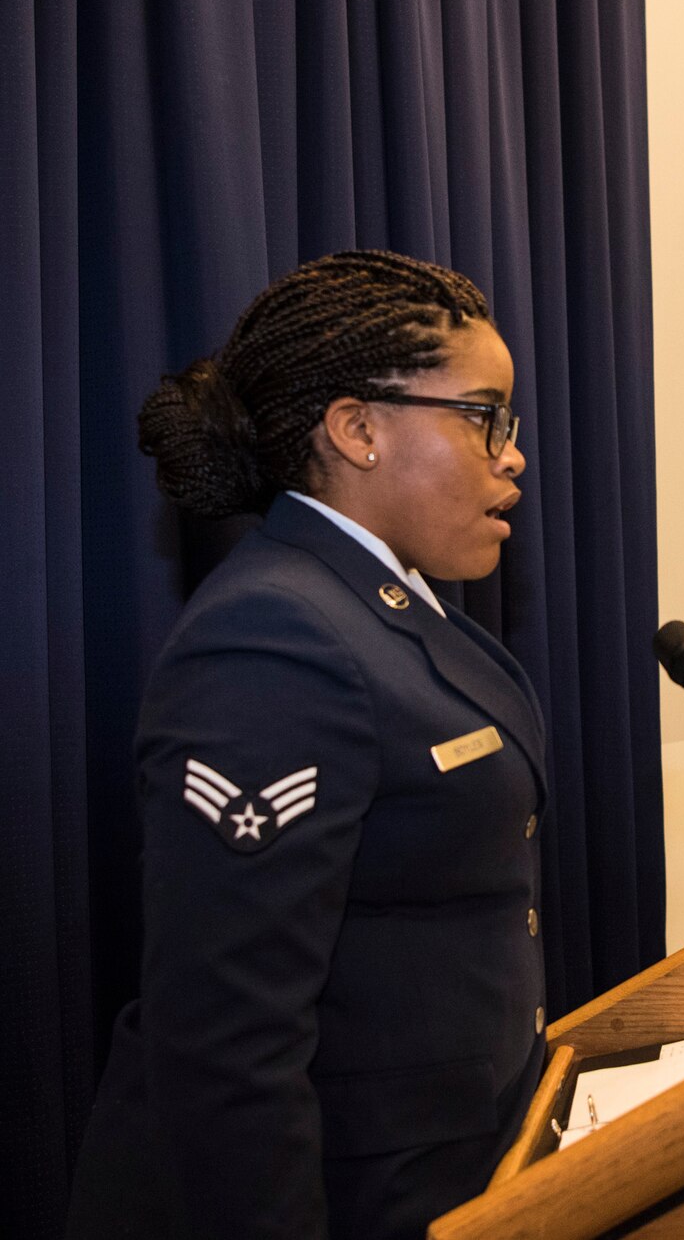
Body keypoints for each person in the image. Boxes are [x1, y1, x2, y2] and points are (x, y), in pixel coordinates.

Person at [67, 251, 547, 1240]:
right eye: (484, 415)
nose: (511, 455)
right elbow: (229, 1047)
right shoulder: (274, 638)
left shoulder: (393, 608)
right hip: (332, 1195)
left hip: (448, 1168)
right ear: (358, 429)